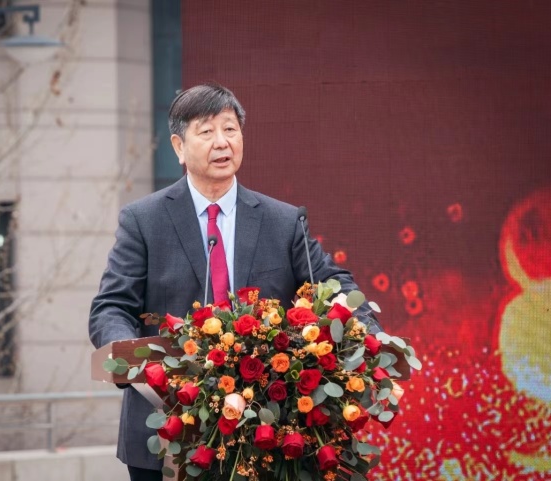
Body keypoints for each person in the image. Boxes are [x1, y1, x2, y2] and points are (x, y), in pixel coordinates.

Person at [88, 84, 380, 481]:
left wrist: (369, 332)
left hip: (268, 433)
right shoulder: (143, 220)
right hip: (165, 431)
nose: (222, 142)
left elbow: (331, 281)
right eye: (207, 131)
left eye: (230, 129)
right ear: (178, 146)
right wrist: (132, 359)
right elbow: (111, 307)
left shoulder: (282, 221)